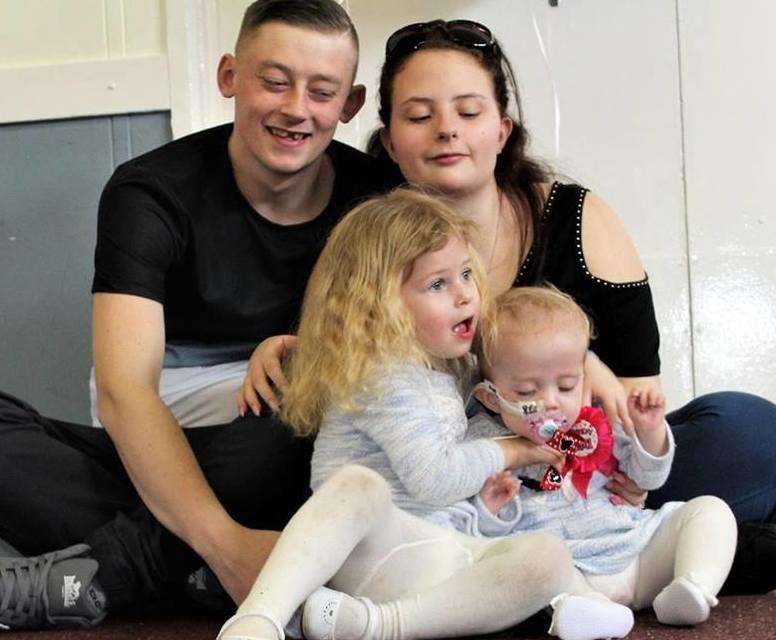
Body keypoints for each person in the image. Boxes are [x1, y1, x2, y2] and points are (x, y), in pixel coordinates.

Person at [245, 17, 776, 593]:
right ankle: (675, 557)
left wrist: (622, 447)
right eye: (420, 116)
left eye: (468, 113)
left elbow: (634, 392)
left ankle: (645, 546)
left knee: (745, 428)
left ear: (503, 130)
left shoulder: (574, 217)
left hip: (582, 469)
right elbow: (367, 372)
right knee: (270, 458)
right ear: (391, 141)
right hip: (462, 490)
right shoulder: (373, 238)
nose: (447, 131)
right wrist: (297, 345)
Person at [0, 0, 396, 631]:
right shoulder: (151, 190)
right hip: (161, 409)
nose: (296, 109)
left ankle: (103, 576)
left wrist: (299, 351)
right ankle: (218, 568)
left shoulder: (377, 198)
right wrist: (230, 546)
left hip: (282, 423)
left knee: (315, 411)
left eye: (322, 91)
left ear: (351, 104)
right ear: (229, 75)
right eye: (274, 81)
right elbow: (125, 393)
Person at [218, 188, 646, 640]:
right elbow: (434, 478)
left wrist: (584, 367)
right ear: (379, 306)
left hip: (436, 551)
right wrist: (517, 450)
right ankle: (259, 617)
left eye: (466, 274)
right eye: (438, 285)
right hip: (380, 553)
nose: (465, 296)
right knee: (359, 486)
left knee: (548, 554)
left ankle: (375, 625)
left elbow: (516, 355)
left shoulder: (446, 363)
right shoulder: (384, 376)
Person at [469, 286, 736, 631]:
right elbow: (466, 531)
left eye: (566, 386)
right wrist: (487, 511)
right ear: (489, 398)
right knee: (526, 565)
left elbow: (648, 479)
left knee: (710, 511)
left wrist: (648, 431)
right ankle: (589, 612)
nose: (551, 401)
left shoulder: (595, 422)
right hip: (565, 570)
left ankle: (692, 587)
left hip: (636, 552)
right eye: (526, 391)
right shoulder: (482, 442)